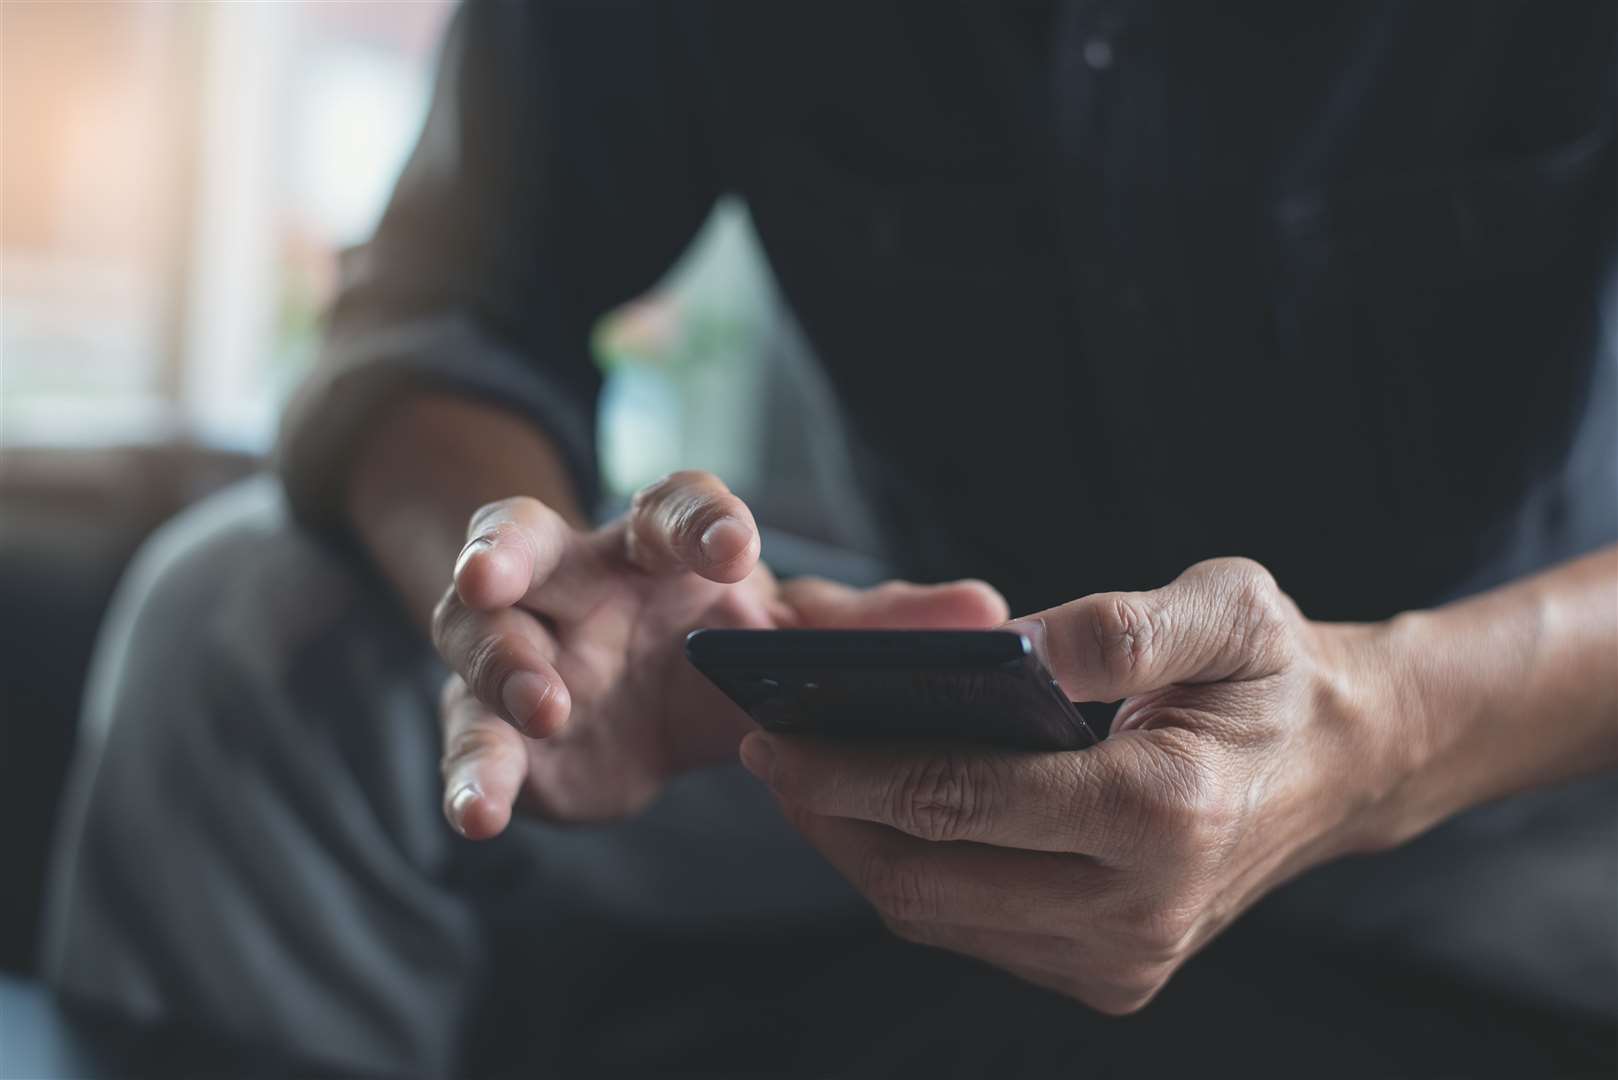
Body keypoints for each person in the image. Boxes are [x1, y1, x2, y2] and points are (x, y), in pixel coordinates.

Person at [45, 2, 1616, 1076]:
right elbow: (433, 315)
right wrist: (534, 602)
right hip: (926, 696)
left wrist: (1392, 725)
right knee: (238, 625)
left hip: (1524, 755)